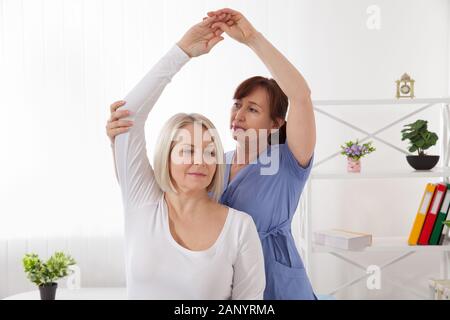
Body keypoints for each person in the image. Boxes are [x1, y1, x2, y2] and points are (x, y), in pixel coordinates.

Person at [108, 8, 317, 300]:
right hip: (221, 283)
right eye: (237, 104)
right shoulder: (215, 162)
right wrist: (118, 142)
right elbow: (144, 190)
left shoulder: (287, 163)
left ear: (276, 123)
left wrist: (252, 39)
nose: (239, 114)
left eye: (253, 109)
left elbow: (300, 96)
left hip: (277, 287)